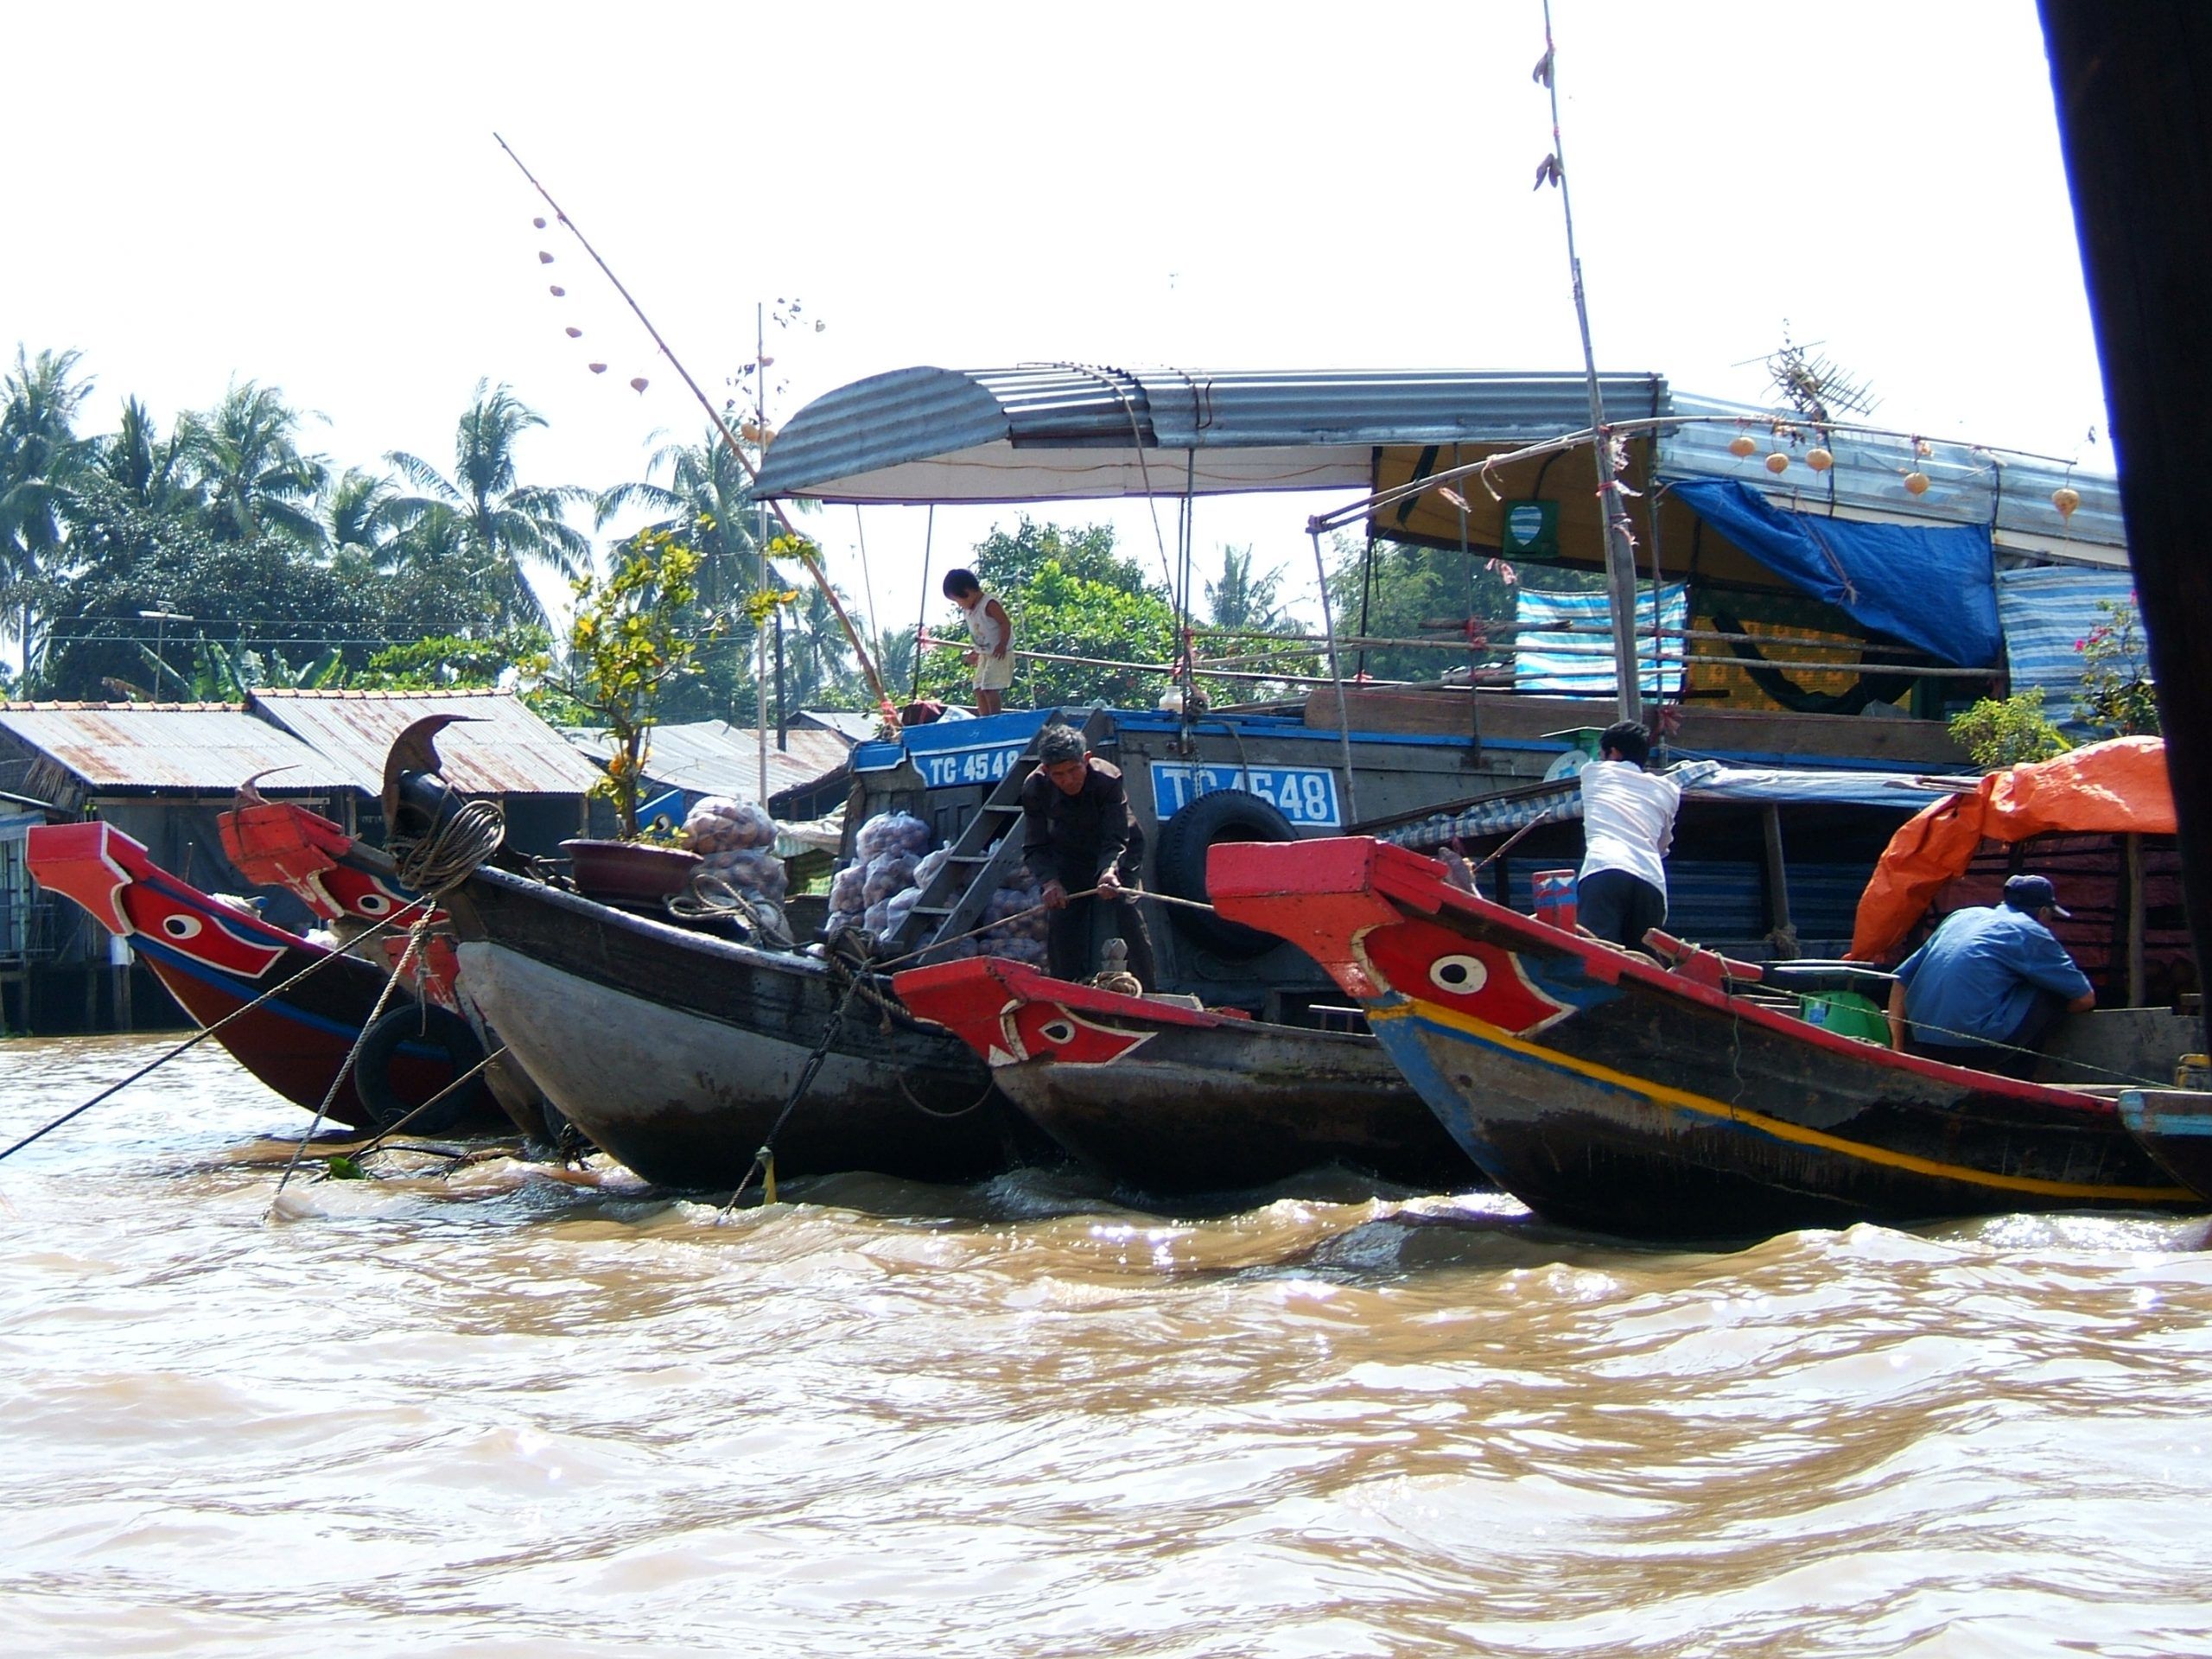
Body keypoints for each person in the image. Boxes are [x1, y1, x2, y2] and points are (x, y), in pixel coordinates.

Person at [1885, 874, 2096, 1077]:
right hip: (1977, 1049)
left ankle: (1997, 1066)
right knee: (2049, 992)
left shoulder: (1962, 916)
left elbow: (1900, 981)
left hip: (1925, 1045)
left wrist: (1896, 1048)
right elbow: (2085, 999)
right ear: (2043, 912)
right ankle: (2015, 1075)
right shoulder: (2031, 932)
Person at [1020, 723, 1159, 988]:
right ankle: (1067, 988)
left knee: (1126, 906)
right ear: (1047, 771)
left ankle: (1150, 990)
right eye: (1059, 775)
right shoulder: (1034, 788)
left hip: (1120, 848)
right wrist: (1049, 882)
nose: (1068, 780)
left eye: (1074, 770)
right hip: (1071, 852)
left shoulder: (1108, 779)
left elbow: (1116, 837)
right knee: (1062, 915)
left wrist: (1109, 871)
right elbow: (1035, 846)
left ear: (1086, 759)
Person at [1575, 721, 1682, 952]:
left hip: (1605, 871)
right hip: (1651, 881)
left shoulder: (1593, 772)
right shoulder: (1668, 789)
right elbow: (1662, 846)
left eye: (1602, 754)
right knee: (1645, 967)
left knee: (1597, 956)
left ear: (1612, 753)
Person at [942, 568, 1014, 715]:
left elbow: (1005, 623)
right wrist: (976, 652)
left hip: (999, 652)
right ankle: (984, 719)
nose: (959, 604)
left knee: (989, 687)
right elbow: (981, 634)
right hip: (985, 654)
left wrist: (1002, 644)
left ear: (967, 591)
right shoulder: (969, 611)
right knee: (978, 688)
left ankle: (994, 717)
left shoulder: (989, 604)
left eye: (957, 600)